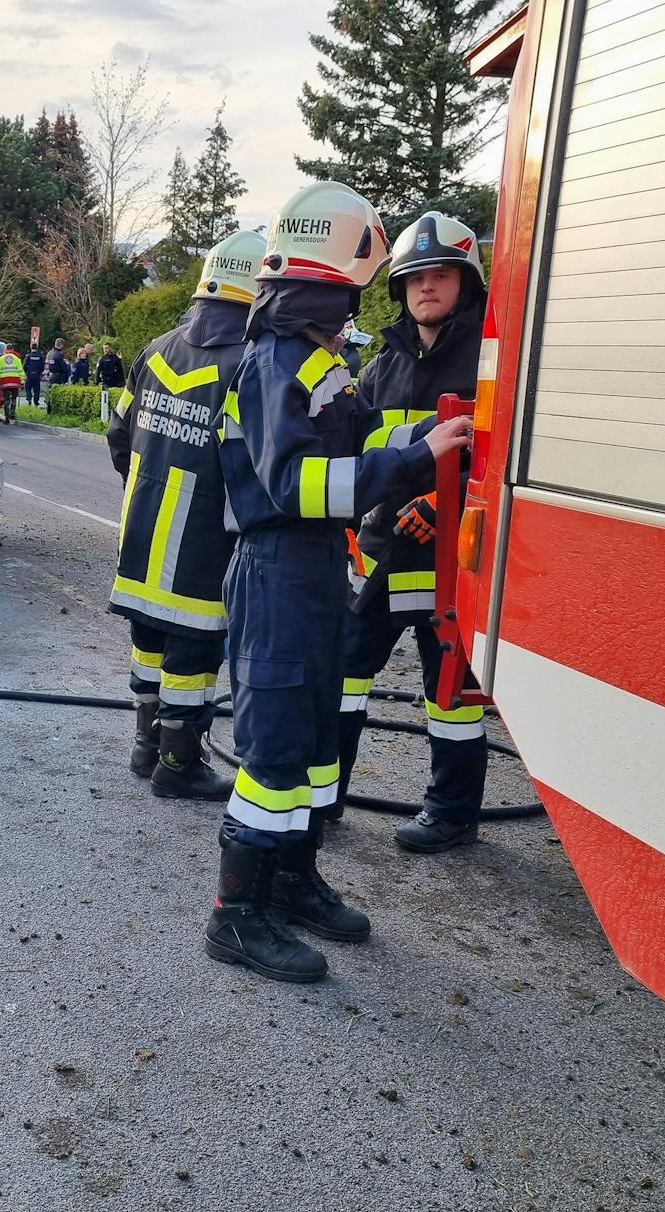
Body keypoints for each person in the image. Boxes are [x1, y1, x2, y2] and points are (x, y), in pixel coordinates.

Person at [206, 182, 473, 984]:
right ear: (336, 272)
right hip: (281, 567)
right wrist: (416, 460)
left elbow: (363, 432)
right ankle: (236, 915)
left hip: (319, 568)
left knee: (320, 738)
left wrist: (433, 428)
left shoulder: (318, 357)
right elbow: (297, 485)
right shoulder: (278, 362)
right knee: (278, 745)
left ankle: (291, 877)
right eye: (362, 278)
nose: (367, 294)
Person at [334, 212, 488, 853]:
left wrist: (436, 497)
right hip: (380, 551)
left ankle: (450, 813)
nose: (428, 286)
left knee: (449, 688)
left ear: (465, 283)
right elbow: (357, 442)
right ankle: (323, 795)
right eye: (415, 276)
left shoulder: (488, 360)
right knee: (342, 675)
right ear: (398, 287)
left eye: (442, 274)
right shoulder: (381, 364)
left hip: (450, 558)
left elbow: (499, 454)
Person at [107, 230, 266, 800]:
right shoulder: (250, 364)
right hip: (202, 541)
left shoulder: (154, 350)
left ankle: (144, 746)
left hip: (142, 531)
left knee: (147, 641)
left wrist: (146, 486)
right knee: (193, 657)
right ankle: (178, 763)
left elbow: (119, 434)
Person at [0, 341, 25, 422]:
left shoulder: (1, 359)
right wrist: (22, 382)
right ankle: (12, 414)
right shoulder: (17, 359)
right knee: (14, 399)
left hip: (5, 382)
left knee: (6, 400)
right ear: (12, 349)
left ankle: (7, 418)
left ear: (6, 349)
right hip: (15, 382)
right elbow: (21, 371)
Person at [23, 343, 46, 408]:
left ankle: (29, 399)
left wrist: (26, 372)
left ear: (31, 348)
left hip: (29, 375)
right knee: (36, 389)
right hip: (37, 375)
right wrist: (40, 372)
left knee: (28, 388)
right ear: (37, 348)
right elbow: (42, 366)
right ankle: (36, 402)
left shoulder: (28, 356)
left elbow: (24, 366)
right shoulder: (40, 356)